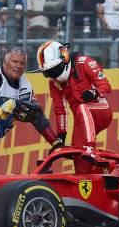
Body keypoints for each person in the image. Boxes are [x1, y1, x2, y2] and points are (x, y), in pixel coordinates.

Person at [36, 41, 112, 173]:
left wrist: (95, 93)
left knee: (82, 107)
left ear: (64, 57)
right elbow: (60, 109)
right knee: (78, 154)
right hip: (81, 118)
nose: (53, 75)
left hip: (101, 110)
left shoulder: (85, 62)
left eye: (54, 69)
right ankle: (90, 180)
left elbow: (106, 87)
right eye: (48, 72)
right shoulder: (53, 82)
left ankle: (91, 148)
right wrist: (61, 134)